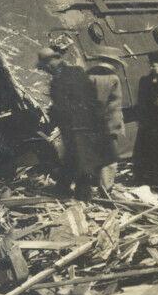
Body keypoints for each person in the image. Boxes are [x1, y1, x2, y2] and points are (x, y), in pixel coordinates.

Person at [37, 38, 114, 201]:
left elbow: (80, 100)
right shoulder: (72, 74)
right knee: (74, 158)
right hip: (76, 125)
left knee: (82, 160)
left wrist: (56, 114)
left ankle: (81, 194)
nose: (46, 71)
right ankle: (64, 189)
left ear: (51, 63)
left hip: (80, 125)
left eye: (45, 67)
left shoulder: (69, 76)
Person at [132, 51, 158, 187]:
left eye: (155, 66)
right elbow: (141, 101)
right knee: (145, 150)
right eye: (151, 65)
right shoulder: (144, 81)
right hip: (148, 121)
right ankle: (143, 178)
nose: (153, 68)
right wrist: (140, 118)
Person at [88, 61, 125, 192]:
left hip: (98, 123)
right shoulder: (110, 78)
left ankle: (96, 184)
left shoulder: (91, 76)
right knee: (110, 157)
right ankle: (105, 188)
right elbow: (102, 102)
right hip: (107, 124)